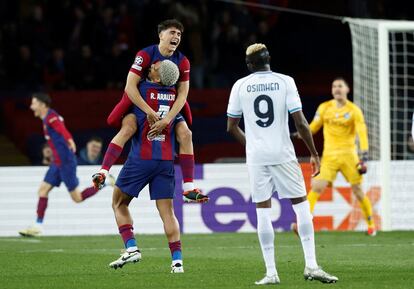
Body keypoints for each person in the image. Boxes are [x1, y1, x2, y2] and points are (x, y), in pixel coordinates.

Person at [226, 43, 338, 285]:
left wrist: (252, 145)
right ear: (269, 60)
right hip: (283, 153)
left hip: (257, 157)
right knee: (301, 206)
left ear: (249, 64)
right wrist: (314, 153)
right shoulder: (285, 81)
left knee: (262, 211)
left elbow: (231, 127)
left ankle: (271, 272)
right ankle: (311, 265)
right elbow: (300, 123)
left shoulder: (240, 86)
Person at [92, 19, 208, 203]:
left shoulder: (183, 61)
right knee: (128, 129)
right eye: (172, 32)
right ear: (161, 35)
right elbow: (130, 87)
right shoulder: (145, 55)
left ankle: (189, 189)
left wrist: (168, 119)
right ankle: (103, 171)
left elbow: (183, 94)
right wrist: (148, 111)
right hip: (140, 100)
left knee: (186, 134)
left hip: (168, 104)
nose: (176, 36)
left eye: (179, 34)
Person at [108, 59, 184, 273]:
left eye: (154, 68)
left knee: (118, 203)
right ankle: (177, 262)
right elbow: (186, 119)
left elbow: (113, 117)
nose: (150, 66)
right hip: (166, 160)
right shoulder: (175, 97)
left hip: (141, 158)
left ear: (157, 77)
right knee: (168, 213)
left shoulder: (139, 89)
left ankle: (131, 247)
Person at [293, 77, 376, 236]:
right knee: (316, 187)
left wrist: (364, 155)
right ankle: (303, 223)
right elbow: (313, 127)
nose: (337, 88)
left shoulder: (354, 110)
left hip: (349, 156)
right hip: (329, 156)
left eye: (340, 86)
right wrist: (298, 134)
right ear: (332, 90)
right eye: (334, 86)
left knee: (358, 191)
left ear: (347, 89)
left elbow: (362, 132)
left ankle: (371, 225)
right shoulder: (324, 108)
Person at [19, 93, 102, 237]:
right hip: (57, 163)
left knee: (77, 198)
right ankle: (38, 225)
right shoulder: (47, 119)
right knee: (42, 191)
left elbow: (61, 129)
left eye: (34, 103)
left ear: (42, 104)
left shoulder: (51, 117)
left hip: (65, 163)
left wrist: (70, 140)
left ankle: (103, 181)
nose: (31, 107)